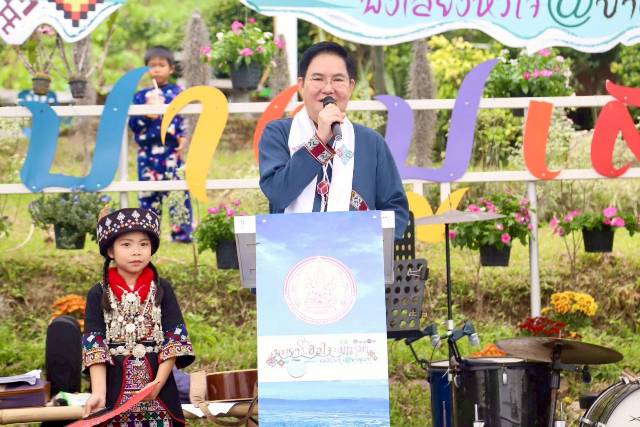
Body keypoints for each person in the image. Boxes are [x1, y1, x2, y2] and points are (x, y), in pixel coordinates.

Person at [258, 41, 409, 238]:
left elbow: (396, 211)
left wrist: (364, 242)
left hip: (355, 252)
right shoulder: (278, 134)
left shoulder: (371, 143)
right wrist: (319, 141)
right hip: (292, 250)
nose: (328, 89)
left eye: (338, 80)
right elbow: (278, 193)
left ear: (351, 86)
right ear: (301, 86)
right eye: (318, 79)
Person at [82, 207, 195, 426]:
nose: (136, 251)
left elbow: (175, 341)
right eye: (126, 245)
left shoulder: (162, 289)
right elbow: (95, 346)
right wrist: (99, 393)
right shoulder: (98, 293)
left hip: (160, 389)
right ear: (110, 251)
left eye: (143, 244)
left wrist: (157, 384)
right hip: (114, 387)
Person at [128, 46, 193, 243]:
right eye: (152, 65)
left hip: (172, 152)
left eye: (161, 65)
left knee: (177, 191)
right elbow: (133, 125)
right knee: (148, 194)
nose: (156, 69)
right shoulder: (141, 97)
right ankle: (148, 234)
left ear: (171, 68)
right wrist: (146, 114)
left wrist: (184, 137)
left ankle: (181, 234)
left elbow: (186, 119)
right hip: (147, 153)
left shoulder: (179, 93)